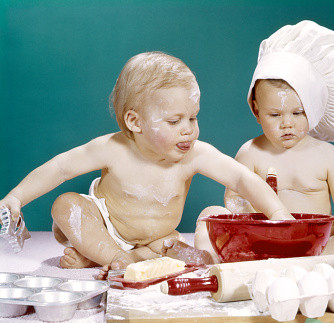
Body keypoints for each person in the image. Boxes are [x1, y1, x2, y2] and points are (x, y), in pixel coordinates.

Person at [0, 51, 294, 275]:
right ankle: (116, 256)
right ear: (135, 121)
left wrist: (279, 213)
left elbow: (242, 178)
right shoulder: (113, 148)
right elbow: (59, 168)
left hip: (158, 239)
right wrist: (16, 197)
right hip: (107, 227)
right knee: (65, 206)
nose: (188, 129)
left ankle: (110, 258)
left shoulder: (195, 153)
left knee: (190, 249)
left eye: (193, 117)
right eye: (174, 120)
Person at [194, 21, 334, 262]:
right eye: (275, 115)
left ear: (315, 109)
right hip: (259, 244)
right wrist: (245, 210)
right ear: (256, 110)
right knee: (210, 214)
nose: (287, 123)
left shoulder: (328, 155)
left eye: (298, 113)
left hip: (313, 246)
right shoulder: (251, 152)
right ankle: (209, 261)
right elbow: (234, 198)